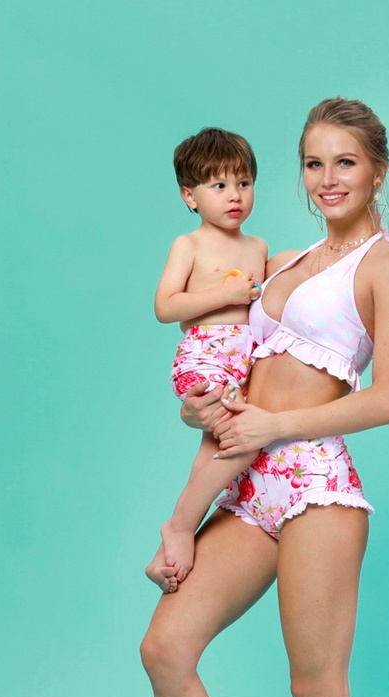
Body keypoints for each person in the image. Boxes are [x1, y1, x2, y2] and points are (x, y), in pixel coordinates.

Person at [140, 98, 389, 697]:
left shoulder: (386, 267)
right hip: (248, 477)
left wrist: (277, 426)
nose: (327, 179)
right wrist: (201, 409)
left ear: (378, 172)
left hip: (315, 485)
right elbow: (232, 359)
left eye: (345, 162)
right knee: (164, 650)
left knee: (316, 690)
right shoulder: (282, 258)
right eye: (313, 163)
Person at [145, 127, 266, 592]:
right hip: (206, 355)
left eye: (243, 182)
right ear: (189, 196)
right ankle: (179, 526)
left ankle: (167, 553)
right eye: (219, 185)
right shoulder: (189, 245)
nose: (234, 195)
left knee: (214, 452)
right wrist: (225, 294)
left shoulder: (258, 248)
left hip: (243, 361)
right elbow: (165, 307)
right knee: (244, 441)